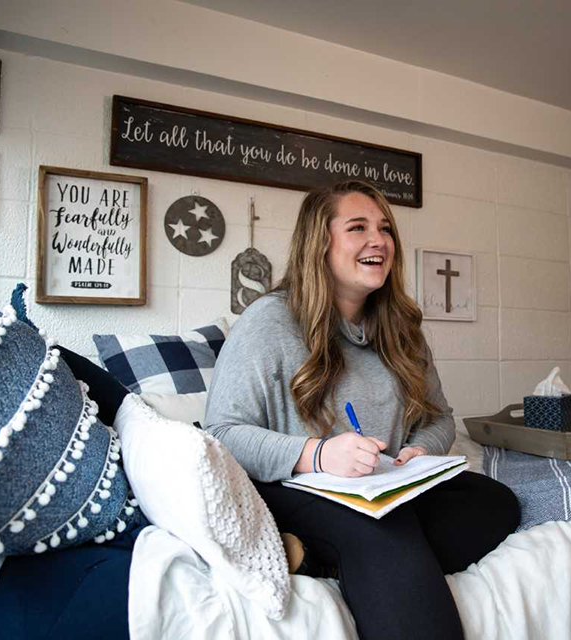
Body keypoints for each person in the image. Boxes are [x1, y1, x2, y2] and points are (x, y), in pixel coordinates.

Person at [203, 180, 520, 640]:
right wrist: (318, 454)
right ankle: (353, 550)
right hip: (299, 487)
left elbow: (439, 416)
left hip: (384, 486)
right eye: (358, 227)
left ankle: (314, 557)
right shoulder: (267, 321)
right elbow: (223, 432)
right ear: (320, 242)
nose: (380, 240)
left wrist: (418, 449)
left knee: (494, 504)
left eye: (385, 229)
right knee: (385, 531)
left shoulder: (402, 328)